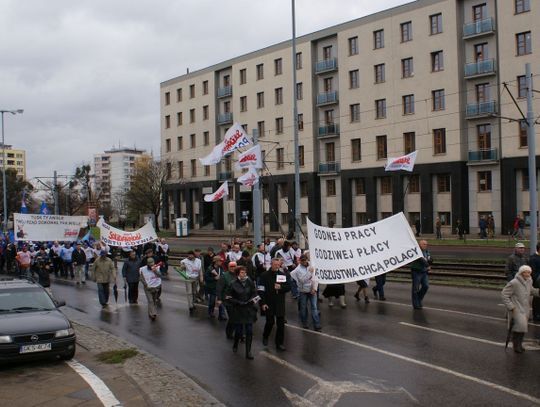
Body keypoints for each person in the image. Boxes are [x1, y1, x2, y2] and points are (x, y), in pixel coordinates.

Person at [501, 265, 540, 353]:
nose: (527, 274)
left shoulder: (529, 281)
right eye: (525, 272)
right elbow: (504, 294)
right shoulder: (514, 282)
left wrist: (538, 292)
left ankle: (519, 344)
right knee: (519, 327)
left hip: (525, 308)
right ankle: (516, 346)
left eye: (529, 272)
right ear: (521, 273)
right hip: (516, 308)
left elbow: (531, 291)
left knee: (522, 328)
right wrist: (511, 306)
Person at [225, 266, 259, 359]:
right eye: (242, 272)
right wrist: (239, 302)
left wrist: (252, 300)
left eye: (245, 272)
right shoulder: (232, 284)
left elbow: (254, 292)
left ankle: (248, 352)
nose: (244, 274)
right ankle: (235, 344)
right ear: (238, 274)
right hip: (238, 310)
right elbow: (228, 297)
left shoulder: (250, 281)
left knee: (249, 331)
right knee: (239, 331)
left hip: (249, 309)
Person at [258, 258, 290, 351]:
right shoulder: (264, 275)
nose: (277, 266)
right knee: (270, 322)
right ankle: (265, 335)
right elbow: (260, 290)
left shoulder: (282, 275)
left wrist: (281, 287)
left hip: (280, 303)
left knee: (281, 325)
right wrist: (263, 303)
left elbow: (288, 287)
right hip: (269, 302)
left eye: (278, 265)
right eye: (275, 265)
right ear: (271, 264)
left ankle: (279, 343)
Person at [290, 255, 321, 331]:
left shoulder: (312, 265)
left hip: (312, 290)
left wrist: (315, 288)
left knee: (314, 307)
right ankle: (304, 323)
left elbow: (316, 278)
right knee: (303, 308)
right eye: (302, 260)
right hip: (303, 291)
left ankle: (317, 325)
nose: (304, 262)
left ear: (307, 260)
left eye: (305, 260)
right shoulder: (297, 270)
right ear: (300, 261)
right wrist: (309, 272)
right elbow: (302, 280)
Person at [217, 260, 237, 339]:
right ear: (228, 267)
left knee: (238, 317)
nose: (233, 268)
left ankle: (239, 333)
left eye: (234, 266)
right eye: (231, 266)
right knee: (232, 317)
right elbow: (219, 288)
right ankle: (229, 333)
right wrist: (219, 299)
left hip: (237, 300)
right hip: (227, 300)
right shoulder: (224, 276)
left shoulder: (239, 274)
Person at [410, 240, 432, 309]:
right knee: (415, 288)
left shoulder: (426, 251)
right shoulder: (417, 251)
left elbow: (429, 258)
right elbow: (421, 259)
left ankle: (418, 299)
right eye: (424, 244)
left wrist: (430, 261)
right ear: (420, 244)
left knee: (426, 286)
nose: (426, 245)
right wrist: (427, 265)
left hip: (424, 271)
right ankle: (416, 304)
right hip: (416, 271)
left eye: (426, 244)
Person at [180, 250, 202, 315]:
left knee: (194, 292)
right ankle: (190, 306)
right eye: (188, 255)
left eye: (191, 255)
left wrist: (201, 277)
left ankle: (193, 303)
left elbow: (200, 270)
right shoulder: (184, 261)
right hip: (188, 278)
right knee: (189, 293)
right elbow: (181, 268)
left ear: (193, 255)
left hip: (195, 278)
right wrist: (182, 267)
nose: (190, 256)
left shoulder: (198, 261)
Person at [528, 243, 540, 322]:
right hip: (537, 282)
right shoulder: (533, 258)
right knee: (537, 299)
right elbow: (532, 272)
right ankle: (536, 315)